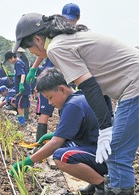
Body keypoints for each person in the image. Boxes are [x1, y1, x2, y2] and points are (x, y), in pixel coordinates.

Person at [12, 12, 139, 194]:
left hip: (134, 86)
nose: (33, 54)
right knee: (116, 151)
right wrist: (107, 122)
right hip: (132, 86)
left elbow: (89, 86)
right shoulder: (67, 39)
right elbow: (98, 86)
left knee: (117, 153)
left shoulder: (56, 48)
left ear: (38, 39)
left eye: (30, 49)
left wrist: (105, 127)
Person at [10, 68, 108, 194]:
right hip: (97, 148)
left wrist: (28, 161)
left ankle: (102, 186)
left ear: (62, 89)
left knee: (61, 156)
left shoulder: (73, 105)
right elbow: (69, 132)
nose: (50, 103)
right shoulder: (77, 98)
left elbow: (56, 143)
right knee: (62, 145)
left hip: (104, 155)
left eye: (50, 97)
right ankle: (94, 184)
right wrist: (51, 135)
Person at [25, 3, 81, 142]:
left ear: (78, 18)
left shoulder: (77, 36)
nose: (69, 22)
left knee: (67, 110)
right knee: (45, 112)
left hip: (66, 79)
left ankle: (64, 141)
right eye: (66, 18)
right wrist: (33, 68)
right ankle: (39, 145)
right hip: (49, 78)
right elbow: (42, 51)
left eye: (72, 19)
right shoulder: (55, 32)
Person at [4, 50, 30, 125]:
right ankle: (25, 119)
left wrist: (21, 84)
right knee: (24, 104)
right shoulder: (20, 62)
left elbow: (22, 74)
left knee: (19, 105)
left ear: (12, 57)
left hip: (21, 89)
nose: (9, 62)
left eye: (9, 60)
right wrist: (13, 75)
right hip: (25, 87)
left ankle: (22, 122)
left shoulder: (17, 63)